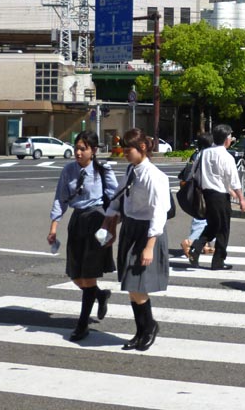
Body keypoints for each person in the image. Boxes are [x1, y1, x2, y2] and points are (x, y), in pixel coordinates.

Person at [99, 128, 170, 351]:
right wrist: (109, 221)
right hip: (131, 227)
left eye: (127, 149)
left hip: (147, 231)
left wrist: (150, 246)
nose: (124, 154)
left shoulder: (155, 176)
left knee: (137, 282)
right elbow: (119, 198)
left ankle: (147, 328)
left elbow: (159, 213)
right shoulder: (131, 170)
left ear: (141, 148)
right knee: (131, 284)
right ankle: (143, 329)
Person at [47, 130, 118, 342]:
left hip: (97, 221)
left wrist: (111, 227)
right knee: (76, 274)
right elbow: (60, 198)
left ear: (93, 151)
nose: (78, 152)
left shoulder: (103, 169)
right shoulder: (68, 170)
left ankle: (82, 324)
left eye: (83, 149)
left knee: (88, 274)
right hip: (77, 220)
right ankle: (100, 294)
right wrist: (53, 227)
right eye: (76, 148)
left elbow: (115, 199)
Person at [189, 124, 245, 270]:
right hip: (220, 196)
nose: (231, 140)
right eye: (230, 137)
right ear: (227, 139)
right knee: (223, 228)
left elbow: (194, 173)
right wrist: (241, 198)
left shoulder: (203, 153)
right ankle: (218, 261)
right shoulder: (226, 156)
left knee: (214, 225)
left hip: (205, 194)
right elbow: (233, 179)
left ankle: (197, 247)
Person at [180, 133, 215, 259]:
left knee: (203, 217)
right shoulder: (205, 155)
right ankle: (189, 242)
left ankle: (204, 245)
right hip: (202, 190)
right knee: (201, 218)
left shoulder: (196, 154)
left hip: (196, 190)